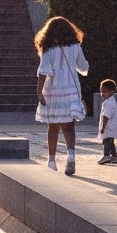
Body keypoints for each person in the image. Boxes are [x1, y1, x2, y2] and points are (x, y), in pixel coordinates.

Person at [35, 16, 89, 175]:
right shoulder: (75, 47)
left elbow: (43, 71)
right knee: (69, 126)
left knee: (53, 126)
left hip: (53, 91)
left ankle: (51, 161)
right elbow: (83, 67)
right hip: (71, 90)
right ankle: (71, 157)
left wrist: (39, 92)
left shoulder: (48, 49)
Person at [96, 79, 117, 164]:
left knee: (106, 141)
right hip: (112, 127)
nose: (102, 94)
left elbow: (106, 116)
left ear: (111, 92)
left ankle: (106, 156)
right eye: (101, 91)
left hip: (109, 127)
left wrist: (103, 127)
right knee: (111, 143)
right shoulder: (111, 102)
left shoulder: (109, 103)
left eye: (104, 91)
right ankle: (114, 157)